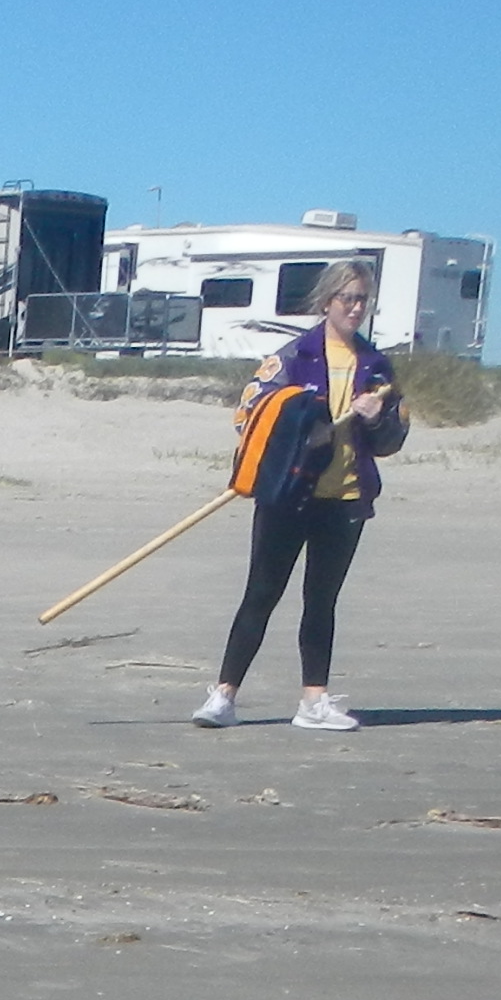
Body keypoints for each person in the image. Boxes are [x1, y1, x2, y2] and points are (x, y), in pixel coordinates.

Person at [195, 262, 407, 732]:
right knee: (261, 593)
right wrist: (302, 424)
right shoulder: (293, 356)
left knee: (321, 600)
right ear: (326, 301)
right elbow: (248, 414)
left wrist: (376, 417)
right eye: (347, 298)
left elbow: (393, 438)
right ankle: (223, 696)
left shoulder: (376, 366)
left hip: (346, 498)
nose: (355, 307)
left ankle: (314, 701)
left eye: (362, 299)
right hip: (288, 493)